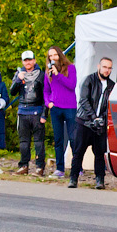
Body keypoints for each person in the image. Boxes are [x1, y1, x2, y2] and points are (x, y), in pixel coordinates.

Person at [69, 56, 115, 189]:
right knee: (78, 152)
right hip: (84, 122)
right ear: (99, 66)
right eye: (104, 67)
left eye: (109, 68)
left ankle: (99, 180)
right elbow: (83, 101)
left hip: (100, 125)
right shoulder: (89, 80)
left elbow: (110, 106)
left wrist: (102, 120)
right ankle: (73, 178)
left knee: (100, 153)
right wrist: (93, 117)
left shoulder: (112, 85)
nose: (106, 70)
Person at [10, 49, 47, 175]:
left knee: (38, 142)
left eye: (30, 60)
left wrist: (44, 114)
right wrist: (18, 80)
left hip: (37, 111)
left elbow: (46, 95)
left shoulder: (41, 75)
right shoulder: (19, 74)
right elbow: (12, 92)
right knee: (24, 142)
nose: (28, 62)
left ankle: (39, 167)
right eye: (25, 60)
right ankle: (23, 166)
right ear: (23, 62)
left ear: (34, 60)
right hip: (23, 111)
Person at [43, 45, 77, 178]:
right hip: (55, 107)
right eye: (50, 56)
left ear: (60, 55)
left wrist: (58, 75)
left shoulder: (70, 68)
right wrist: (48, 103)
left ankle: (76, 167)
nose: (53, 58)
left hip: (69, 107)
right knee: (58, 139)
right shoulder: (48, 72)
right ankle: (60, 168)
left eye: (55, 55)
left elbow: (71, 85)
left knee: (73, 138)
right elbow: (46, 90)